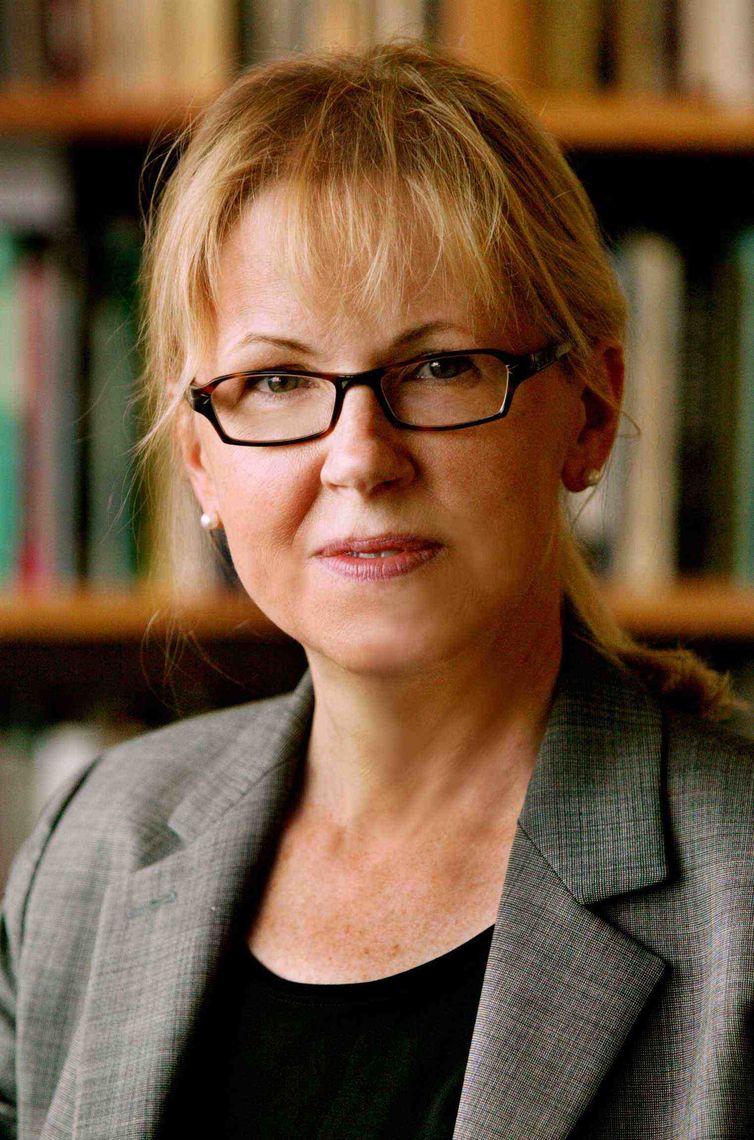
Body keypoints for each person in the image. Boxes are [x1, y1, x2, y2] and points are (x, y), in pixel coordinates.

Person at [1, 39, 753, 1140]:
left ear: (589, 411)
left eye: (439, 367)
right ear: (201, 462)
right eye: (275, 380)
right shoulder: (92, 847)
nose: (359, 458)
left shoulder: (740, 891)